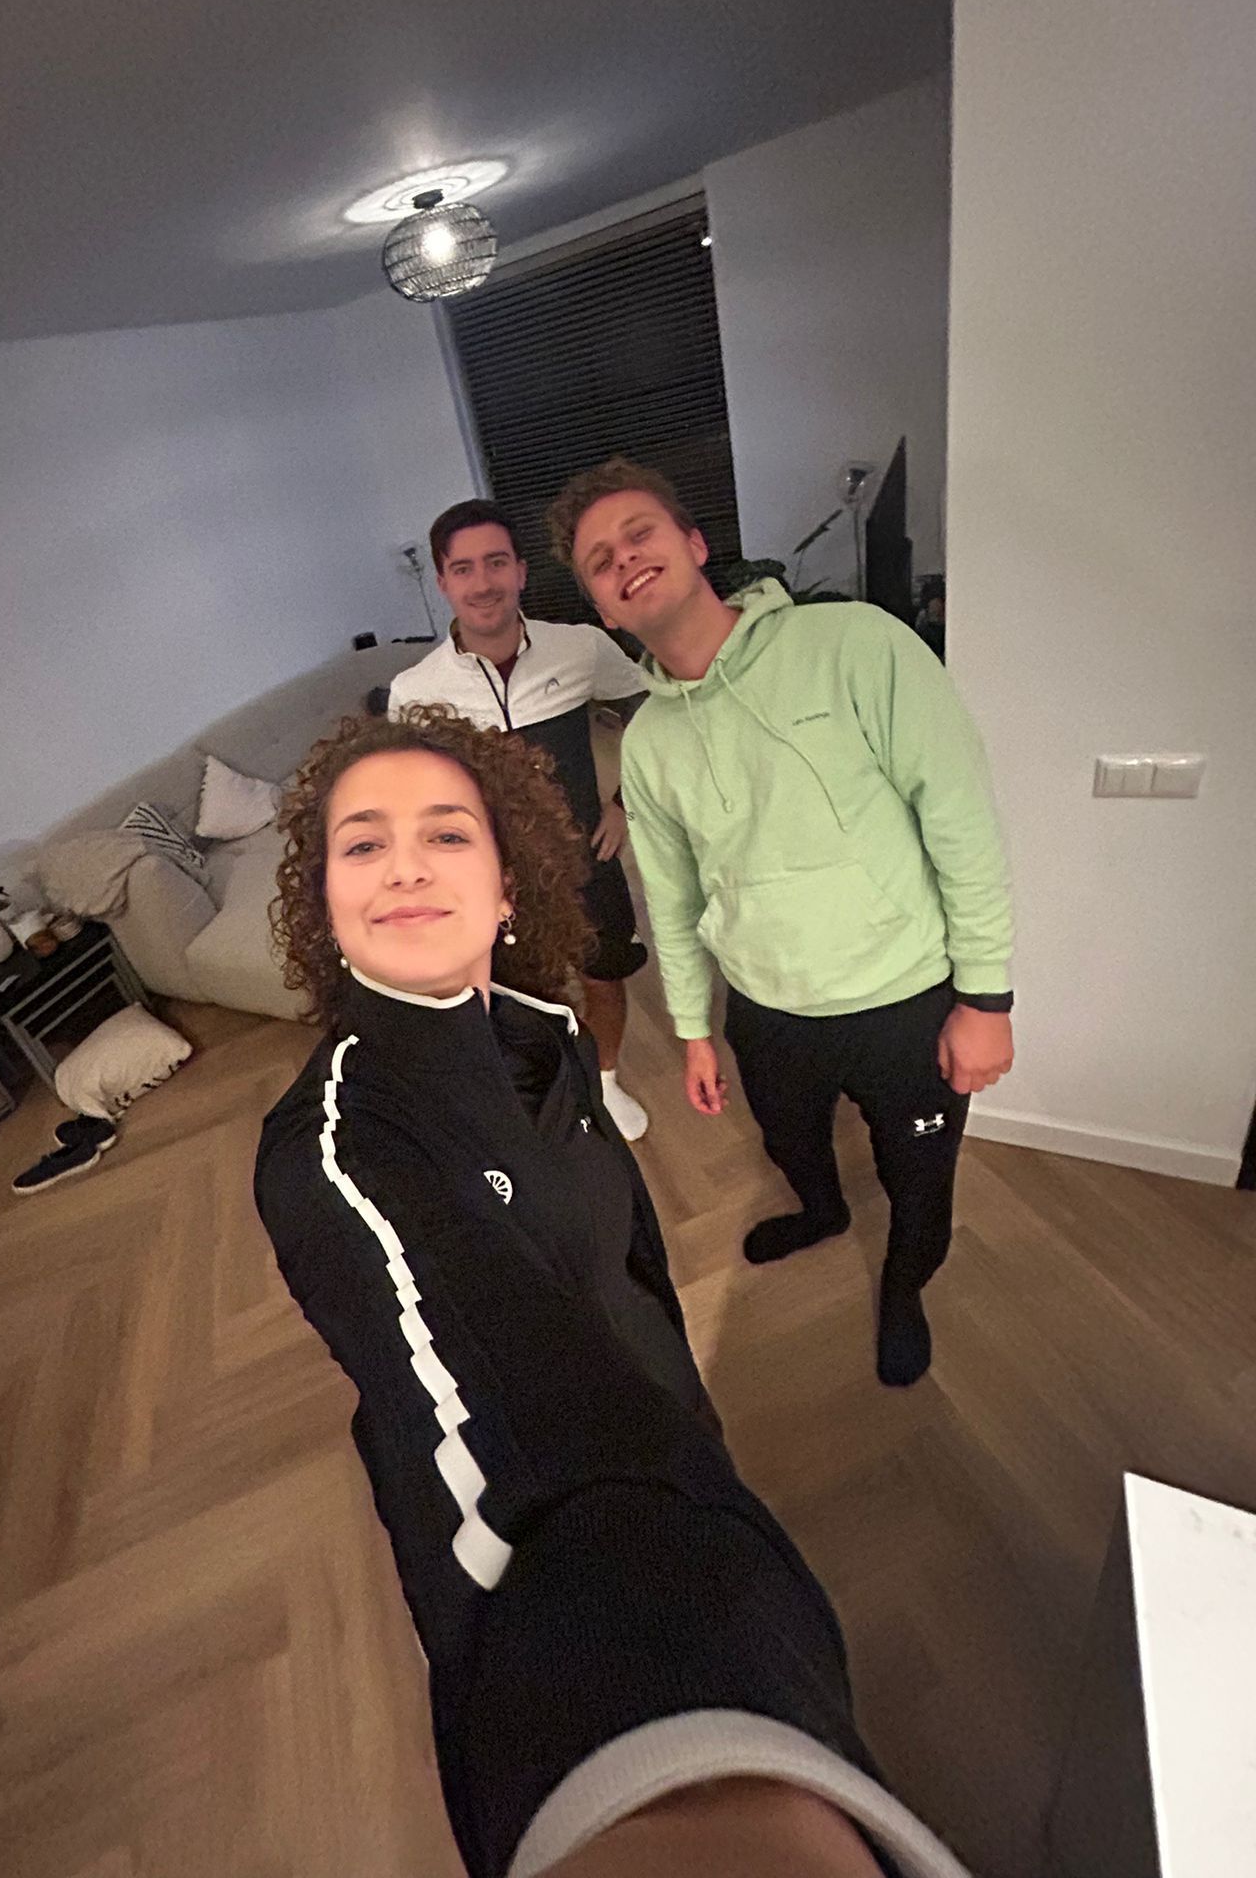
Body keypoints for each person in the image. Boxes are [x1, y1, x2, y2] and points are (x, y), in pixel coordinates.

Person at [254, 707, 974, 1878]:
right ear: (326, 904)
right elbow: (508, 1457)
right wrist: (685, 1759)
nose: (404, 867)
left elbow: (629, 1259)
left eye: (446, 834)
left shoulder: (545, 1037)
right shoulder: (338, 1151)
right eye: (363, 843)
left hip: (676, 1421)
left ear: (506, 886)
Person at [546, 458, 1015, 1390]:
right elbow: (673, 900)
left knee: (920, 1177)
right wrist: (693, 1030)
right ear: (602, 608)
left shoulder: (855, 644)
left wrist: (986, 998)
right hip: (765, 1010)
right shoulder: (649, 744)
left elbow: (961, 822)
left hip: (904, 998)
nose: (624, 559)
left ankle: (906, 1287)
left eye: (639, 533)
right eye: (600, 561)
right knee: (792, 1143)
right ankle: (824, 1213)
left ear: (694, 544)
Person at [389, 498, 652, 1140]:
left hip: (584, 857)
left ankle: (605, 1080)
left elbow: (653, 712)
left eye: (496, 562)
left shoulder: (581, 647)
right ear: (443, 581)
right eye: (464, 568)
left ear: (522, 571)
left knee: (604, 975)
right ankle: (539, 1090)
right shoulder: (414, 691)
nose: (483, 583)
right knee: (505, 994)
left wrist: (627, 805)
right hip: (484, 880)